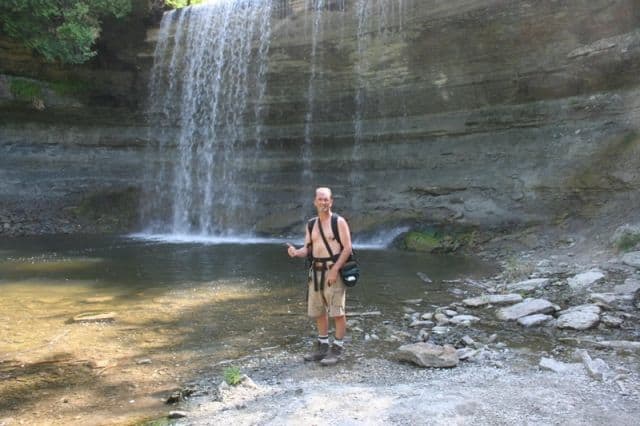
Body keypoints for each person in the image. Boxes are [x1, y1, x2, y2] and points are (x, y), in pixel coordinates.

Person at [286, 187, 353, 366]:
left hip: (333, 271)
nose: (323, 202)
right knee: (319, 311)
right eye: (320, 199)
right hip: (315, 272)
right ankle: (322, 347)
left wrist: (335, 269)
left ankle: (337, 349)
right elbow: (308, 248)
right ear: (315, 202)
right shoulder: (311, 224)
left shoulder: (338, 222)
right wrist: (296, 252)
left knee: (337, 311)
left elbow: (347, 249)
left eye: (326, 200)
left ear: (331, 202)